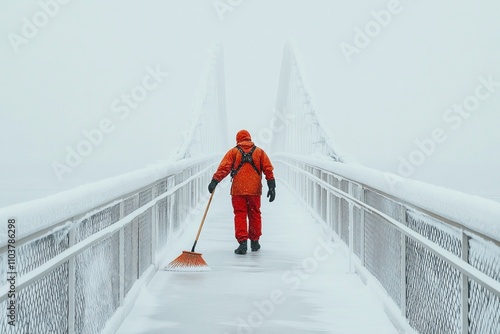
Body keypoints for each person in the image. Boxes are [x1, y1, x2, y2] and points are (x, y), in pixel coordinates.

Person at [208, 129, 276, 255]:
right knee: (255, 213)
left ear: (238, 139)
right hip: (254, 190)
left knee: (240, 214)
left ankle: (242, 243)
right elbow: (268, 169)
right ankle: (255, 242)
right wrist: (271, 186)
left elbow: (224, 168)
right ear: (249, 138)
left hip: (238, 190)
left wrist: (215, 181)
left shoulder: (234, 152)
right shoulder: (259, 152)